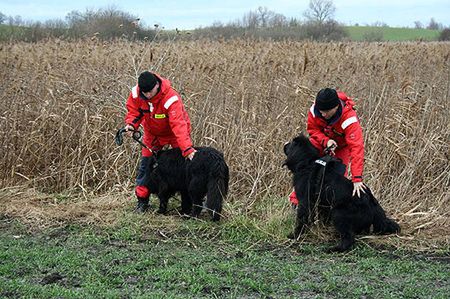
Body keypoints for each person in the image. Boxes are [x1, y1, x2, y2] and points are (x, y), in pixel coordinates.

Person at [124, 71, 196, 212]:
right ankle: (142, 201)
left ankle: (191, 202)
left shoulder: (171, 98)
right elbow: (134, 112)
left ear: (157, 85)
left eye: (150, 92)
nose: (147, 95)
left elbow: (178, 125)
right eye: (144, 93)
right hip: (153, 135)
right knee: (146, 168)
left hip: (175, 135)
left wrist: (187, 149)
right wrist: (131, 126)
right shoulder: (136, 93)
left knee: (184, 168)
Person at [288, 87, 366, 206]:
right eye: (321, 111)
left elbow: (357, 148)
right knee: (305, 166)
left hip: (341, 147)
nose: (323, 114)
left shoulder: (350, 119)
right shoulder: (315, 110)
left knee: (337, 177)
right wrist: (326, 141)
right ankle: (297, 201)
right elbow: (312, 130)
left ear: (336, 107)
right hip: (320, 142)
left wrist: (357, 179)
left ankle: (325, 207)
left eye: (326, 111)